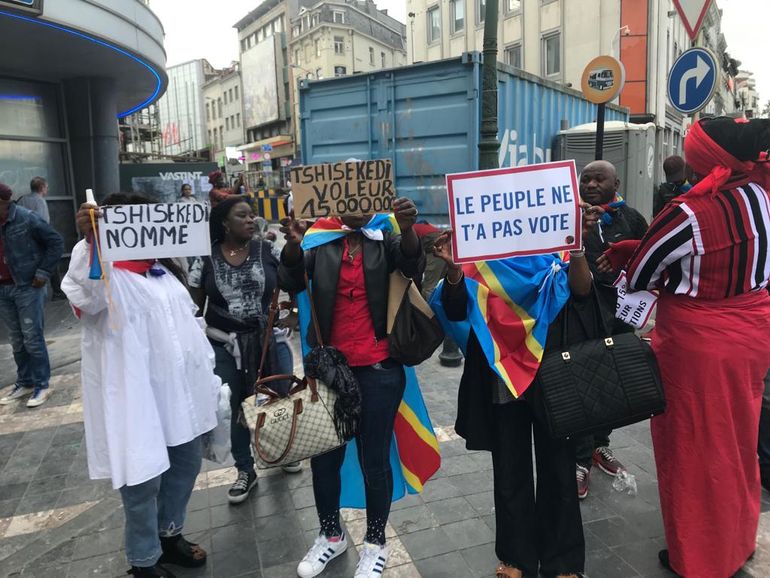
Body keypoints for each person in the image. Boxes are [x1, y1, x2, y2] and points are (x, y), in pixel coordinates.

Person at [599, 117, 770, 577]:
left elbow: (640, 276)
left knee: (693, 449)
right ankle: (736, 541)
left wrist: (632, 252)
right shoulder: (759, 195)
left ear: (701, 159)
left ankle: (699, 557)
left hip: (698, 347)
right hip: (752, 334)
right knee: (737, 441)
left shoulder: (688, 212)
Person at [431, 206, 602, 578]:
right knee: (510, 468)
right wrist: (454, 265)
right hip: (503, 377)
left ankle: (564, 562)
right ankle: (516, 559)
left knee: (559, 467)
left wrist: (576, 247)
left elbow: (583, 291)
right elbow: (457, 308)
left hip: (553, 372)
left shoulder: (557, 243)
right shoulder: (482, 257)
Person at [62, 193, 220, 578]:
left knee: (185, 465)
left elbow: (190, 325)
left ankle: (170, 535)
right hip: (137, 401)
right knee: (141, 482)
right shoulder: (105, 273)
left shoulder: (164, 271)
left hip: (181, 397)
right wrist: (91, 243)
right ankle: (143, 560)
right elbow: (88, 296)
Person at [278, 197, 423, 578]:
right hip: (330, 370)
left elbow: (412, 265)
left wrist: (407, 229)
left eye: (363, 199)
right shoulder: (319, 239)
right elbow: (291, 282)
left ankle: (376, 544)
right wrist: (293, 244)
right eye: (348, 200)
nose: (355, 207)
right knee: (325, 459)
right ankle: (330, 536)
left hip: (379, 368)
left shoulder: (385, 235)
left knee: (373, 459)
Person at [189, 195, 299, 506]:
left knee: (280, 397)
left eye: (252, 215)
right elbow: (193, 305)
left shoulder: (266, 249)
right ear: (224, 223)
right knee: (236, 407)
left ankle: (283, 452)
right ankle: (245, 470)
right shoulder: (206, 258)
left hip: (270, 341)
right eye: (242, 216)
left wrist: (293, 315)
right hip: (226, 344)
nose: (251, 220)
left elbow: (294, 277)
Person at [575, 160, 648, 498]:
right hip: (580, 319)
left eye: (598, 179)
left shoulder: (632, 219)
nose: (590, 184)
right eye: (585, 178)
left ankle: (599, 445)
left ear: (616, 181)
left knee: (610, 387)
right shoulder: (571, 217)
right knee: (580, 387)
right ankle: (578, 459)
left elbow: (650, 260)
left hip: (620, 320)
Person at [0, 182, 63, 408]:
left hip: (27, 286)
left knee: (32, 338)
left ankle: (41, 384)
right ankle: (24, 381)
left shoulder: (26, 218)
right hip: (4, 288)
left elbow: (55, 242)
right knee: (16, 339)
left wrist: (43, 273)